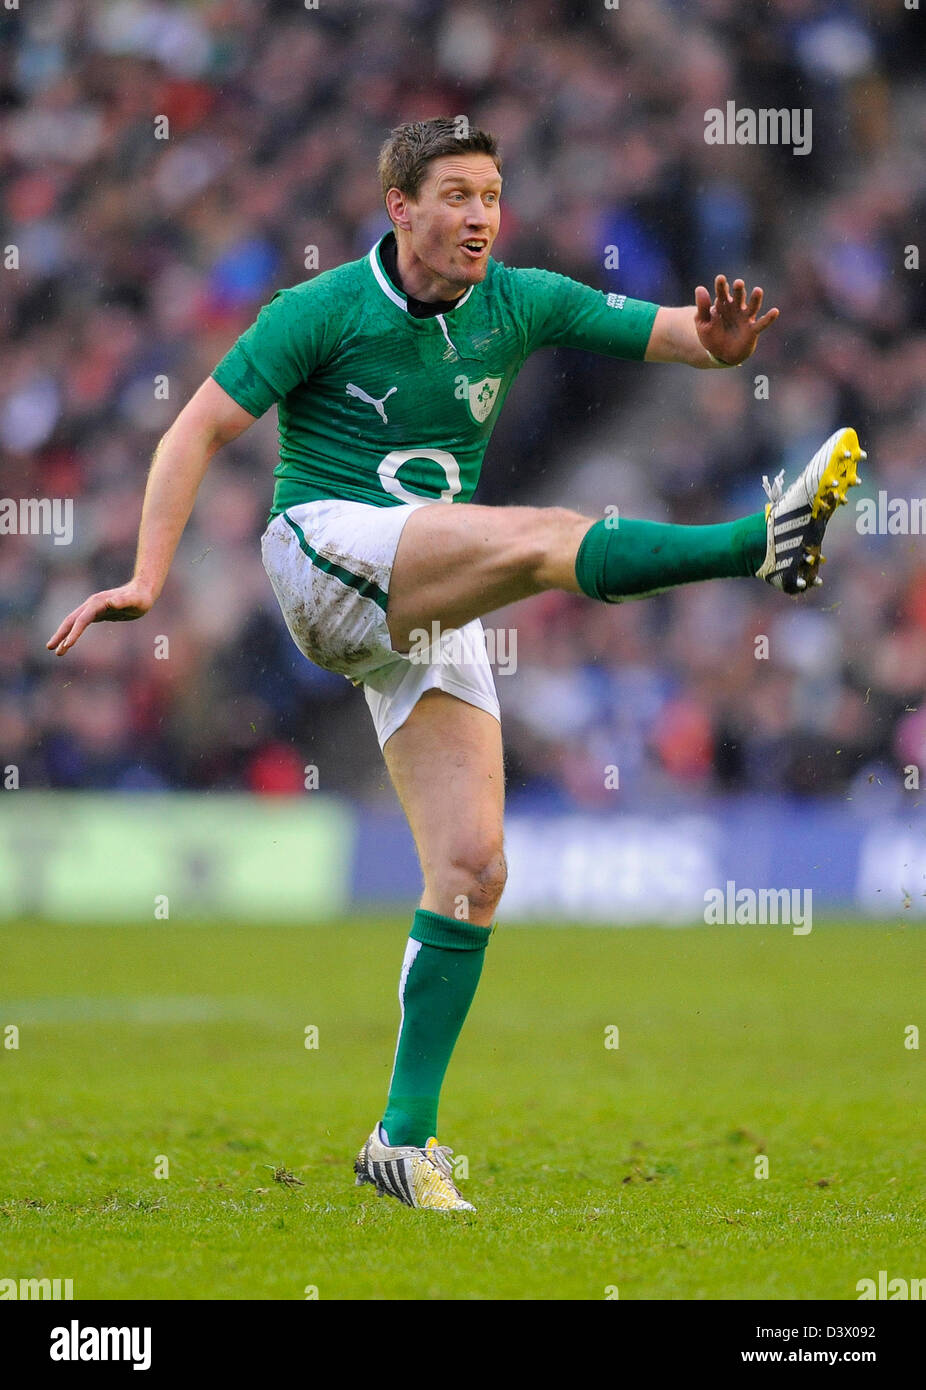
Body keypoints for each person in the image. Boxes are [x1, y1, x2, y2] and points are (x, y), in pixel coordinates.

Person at [47, 118, 864, 1213]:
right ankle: (750, 544)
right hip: (321, 555)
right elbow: (192, 431)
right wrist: (147, 577)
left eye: (491, 194)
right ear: (400, 208)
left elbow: (670, 333)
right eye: (458, 196)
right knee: (537, 540)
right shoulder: (319, 309)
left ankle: (399, 1138)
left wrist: (718, 344)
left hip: (419, 591)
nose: (481, 215)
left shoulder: (519, 299)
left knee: (475, 868)